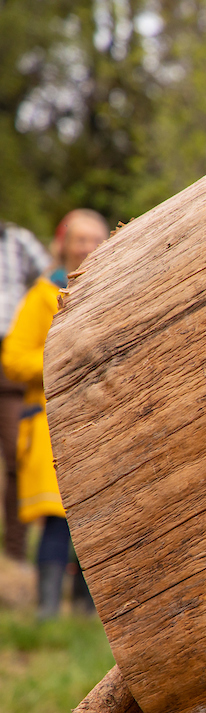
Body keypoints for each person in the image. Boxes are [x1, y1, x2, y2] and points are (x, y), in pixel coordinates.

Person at [4, 209, 107, 618]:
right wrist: (60, 361)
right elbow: (13, 358)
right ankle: (48, 612)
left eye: (96, 239)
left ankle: (86, 612)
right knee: (57, 520)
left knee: (96, 517)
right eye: (80, 239)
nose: (88, 247)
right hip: (49, 423)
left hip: (99, 420)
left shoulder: (113, 289)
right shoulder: (43, 295)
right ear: (63, 243)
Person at [0, 222, 50, 563]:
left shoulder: (18, 240)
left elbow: (47, 271)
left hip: (8, 356)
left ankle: (15, 555)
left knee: (16, 455)